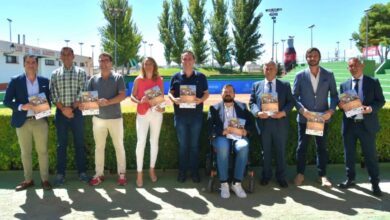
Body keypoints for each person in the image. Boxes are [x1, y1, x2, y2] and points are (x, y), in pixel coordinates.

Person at [338, 57, 385, 197]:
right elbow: (343, 107)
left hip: (367, 126)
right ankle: (350, 179)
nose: (353, 68)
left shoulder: (373, 82)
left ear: (362, 66)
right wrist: (340, 106)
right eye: (350, 66)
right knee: (349, 155)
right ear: (348, 68)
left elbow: (380, 101)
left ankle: (375, 184)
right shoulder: (344, 85)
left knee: (370, 156)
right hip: (350, 126)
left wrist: (370, 109)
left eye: (356, 65)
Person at [3, 54, 52, 191]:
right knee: (25, 152)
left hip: (40, 121)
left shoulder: (44, 80)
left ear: (37, 65)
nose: (31, 64)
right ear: (24, 64)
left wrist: (43, 106)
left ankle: (45, 180)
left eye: (33, 62)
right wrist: (21, 107)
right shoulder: (15, 80)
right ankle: (28, 179)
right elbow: (7, 101)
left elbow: (49, 99)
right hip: (22, 121)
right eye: (28, 62)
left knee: (42, 151)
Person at [292, 47, 339, 187]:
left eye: (315, 56)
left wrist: (331, 111)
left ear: (319, 57)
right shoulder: (300, 75)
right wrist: (302, 110)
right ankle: (300, 174)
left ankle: (322, 175)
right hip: (305, 118)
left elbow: (335, 95)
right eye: (310, 56)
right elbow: (294, 96)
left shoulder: (329, 74)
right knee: (302, 147)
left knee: (322, 148)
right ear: (306, 58)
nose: (312, 58)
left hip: (322, 118)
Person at [249, 61, 294, 188]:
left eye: (271, 68)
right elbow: (252, 103)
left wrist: (283, 112)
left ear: (276, 70)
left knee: (280, 152)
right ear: (263, 70)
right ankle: (266, 176)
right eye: (266, 68)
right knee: (266, 152)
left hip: (280, 124)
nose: (269, 70)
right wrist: (257, 112)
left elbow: (291, 102)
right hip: (263, 124)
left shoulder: (284, 85)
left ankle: (281, 177)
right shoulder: (256, 85)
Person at [85, 52, 127, 186]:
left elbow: (122, 96)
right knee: (99, 148)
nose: (103, 63)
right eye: (101, 60)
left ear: (111, 63)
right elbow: (88, 99)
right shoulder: (93, 79)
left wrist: (108, 102)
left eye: (106, 60)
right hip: (98, 119)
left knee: (119, 146)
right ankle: (99, 174)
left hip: (115, 118)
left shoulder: (118, 78)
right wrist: (85, 105)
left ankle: (122, 174)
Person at [50, 47, 89, 185]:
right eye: (63, 54)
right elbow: (53, 94)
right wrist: (64, 109)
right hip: (61, 114)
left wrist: (71, 108)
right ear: (60, 56)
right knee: (61, 145)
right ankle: (60, 174)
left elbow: (83, 92)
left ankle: (82, 172)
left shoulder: (81, 72)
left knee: (79, 143)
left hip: (77, 112)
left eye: (69, 54)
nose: (66, 57)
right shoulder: (54, 74)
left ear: (73, 56)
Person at [168, 50, 209, 183]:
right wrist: (174, 100)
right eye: (184, 59)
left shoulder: (201, 77)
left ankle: (195, 172)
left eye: (189, 59)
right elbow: (170, 93)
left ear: (194, 61)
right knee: (183, 146)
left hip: (196, 116)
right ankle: (182, 172)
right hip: (180, 117)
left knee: (194, 146)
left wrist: (201, 100)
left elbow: (206, 93)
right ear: (181, 61)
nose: (187, 61)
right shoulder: (175, 76)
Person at [208, 84, 252, 198]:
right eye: (225, 91)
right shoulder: (214, 108)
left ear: (234, 94)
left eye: (230, 91)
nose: (228, 93)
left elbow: (251, 122)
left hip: (238, 137)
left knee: (243, 146)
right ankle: (224, 184)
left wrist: (246, 132)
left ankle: (236, 183)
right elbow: (209, 126)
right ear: (221, 94)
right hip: (222, 137)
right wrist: (221, 132)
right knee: (223, 147)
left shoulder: (242, 106)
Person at [131, 57, 164, 187]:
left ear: (154, 65)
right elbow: (132, 96)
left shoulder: (159, 79)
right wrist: (139, 101)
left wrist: (162, 106)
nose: (148, 66)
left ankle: (151, 169)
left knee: (154, 142)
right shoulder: (138, 79)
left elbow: (161, 97)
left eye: (150, 63)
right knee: (141, 142)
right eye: (146, 64)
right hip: (142, 113)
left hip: (156, 113)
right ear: (143, 66)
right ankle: (139, 173)